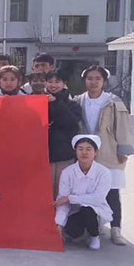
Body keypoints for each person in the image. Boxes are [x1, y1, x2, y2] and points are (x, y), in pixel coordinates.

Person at [74, 65, 133, 246]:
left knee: (112, 192)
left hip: (109, 151)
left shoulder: (113, 102)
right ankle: (93, 228)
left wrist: (123, 150)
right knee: (88, 191)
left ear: (104, 81)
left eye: (98, 79)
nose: (93, 82)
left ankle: (116, 230)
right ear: (85, 80)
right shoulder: (78, 100)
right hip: (86, 154)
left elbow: (123, 127)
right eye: (90, 78)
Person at [55, 135, 112, 251]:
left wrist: (70, 198)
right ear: (75, 151)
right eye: (80, 149)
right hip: (75, 211)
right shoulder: (67, 172)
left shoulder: (104, 173)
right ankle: (84, 233)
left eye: (88, 149)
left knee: (87, 210)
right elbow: (62, 201)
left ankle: (95, 235)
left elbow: (97, 199)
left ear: (95, 153)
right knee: (73, 232)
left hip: (95, 210)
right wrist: (59, 224)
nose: (84, 153)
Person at [46, 69, 82, 199]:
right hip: (44, 156)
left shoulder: (73, 104)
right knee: (45, 191)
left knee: (63, 191)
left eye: (57, 81)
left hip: (65, 155)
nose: (53, 85)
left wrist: (56, 102)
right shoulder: (38, 100)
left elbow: (71, 122)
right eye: (50, 81)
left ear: (64, 83)